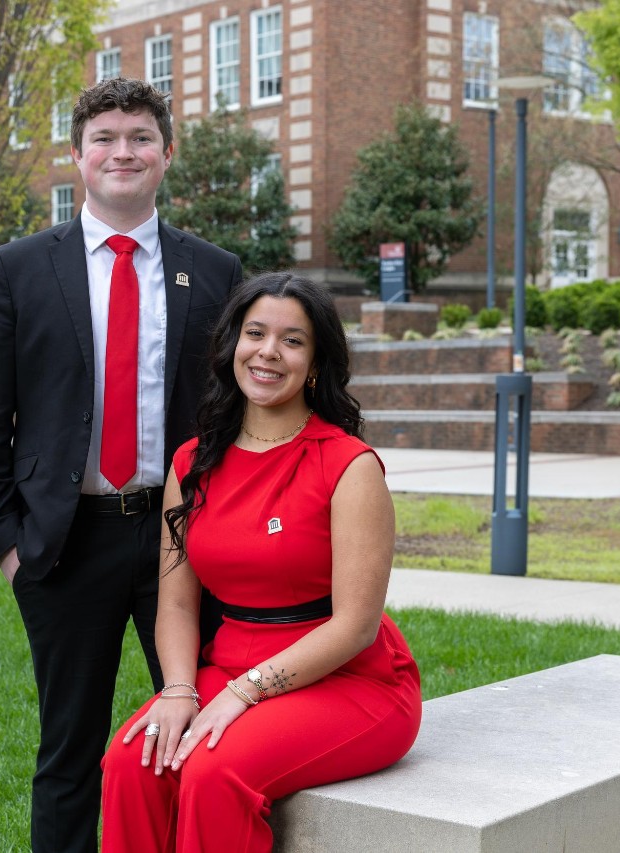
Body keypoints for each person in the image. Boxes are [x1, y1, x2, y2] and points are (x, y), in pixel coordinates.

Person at [0, 77, 243, 853]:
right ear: (78, 156)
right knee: (68, 751)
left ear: (167, 153)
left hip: (181, 540)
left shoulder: (215, 271)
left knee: (204, 735)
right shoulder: (19, 269)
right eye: (106, 139)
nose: (124, 152)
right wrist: (8, 543)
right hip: (62, 542)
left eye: (141, 138)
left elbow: (234, 406)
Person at [100, 272, 422, 852]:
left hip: (350, 678)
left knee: (213, 770)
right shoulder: (192, 463)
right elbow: (175, 601)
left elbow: (356, 626)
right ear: (233, 348)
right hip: (228, 663)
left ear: (316, 361)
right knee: (133, 760)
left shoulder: (349, 467)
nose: (269, 352)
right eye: (255, 333)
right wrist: (178, 691)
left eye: (293, 340)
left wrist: (245, 693)